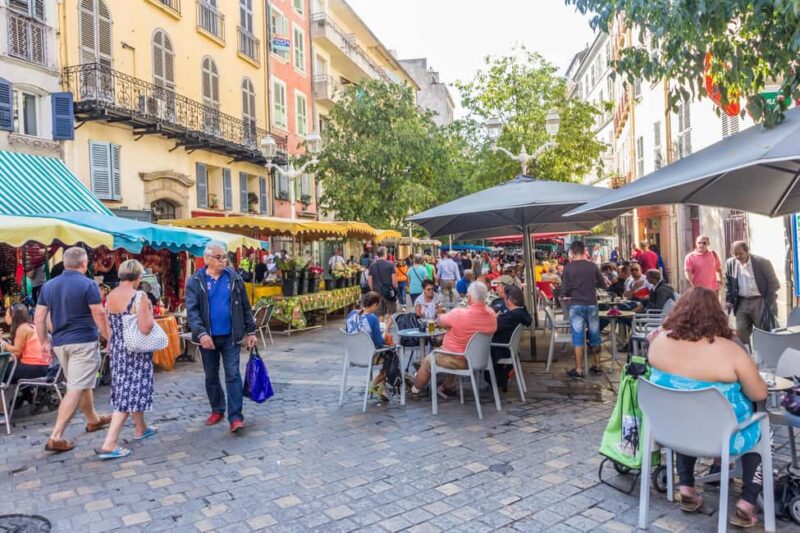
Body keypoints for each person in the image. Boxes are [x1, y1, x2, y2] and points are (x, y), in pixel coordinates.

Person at [647, 287, 768, 528]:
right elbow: (759, 393)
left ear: (679, 312)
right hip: (721, 439)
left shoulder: (659, 343)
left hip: (671, 432)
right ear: (718, 314)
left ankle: (687, 487)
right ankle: (747, 501)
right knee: (764, 427)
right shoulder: (731, 351)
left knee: (684, 409)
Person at [34, 247, 111, 453]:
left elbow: (39, 317)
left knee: (81, 383)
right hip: (83, 342)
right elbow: (99, 314)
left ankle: (93, 419)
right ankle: (56, 435)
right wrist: (109, 338)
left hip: (60, 343)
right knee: (76, 387)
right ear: (84, 264)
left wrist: (43, 341)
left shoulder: (48, 286)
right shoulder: (88, 285)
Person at [185, 242, 258, 433]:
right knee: (211, 376)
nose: (223, 260)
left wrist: (251, 331)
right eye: (219, 257)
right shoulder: (195, 281)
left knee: (233, 374)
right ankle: (217, 409)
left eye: (225, 256)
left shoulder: (234, 279)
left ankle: (235, 417)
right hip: (207, 337)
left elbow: (245, 307)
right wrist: (201, 333)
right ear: (207, 258)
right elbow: (192, 312)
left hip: (231, 336)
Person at [96, 260, 156, 459]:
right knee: (127, 396)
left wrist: (110, 342)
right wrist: (151, 313)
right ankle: (110, 443)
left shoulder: (111, 295)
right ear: (138, 276)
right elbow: (146, 327)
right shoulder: (139, 296)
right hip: (135, 350)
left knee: (128, 389)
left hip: (119, 350)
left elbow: (108, 325)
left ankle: (141, 428)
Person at [411, 281, 497, 397]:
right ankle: (447, 386)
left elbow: (440, 322)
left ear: (469, 297)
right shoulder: (491, 314)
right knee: (448, 350)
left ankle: (415, 389)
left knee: (427, 361)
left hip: (458, 359)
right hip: (481, 358)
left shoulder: (459, 313)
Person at [560, 241, 607, 378]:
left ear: (572, 252)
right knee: (595, 335)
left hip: (576, 304)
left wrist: (566, 295)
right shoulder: (592, 266)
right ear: (584, 251)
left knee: (578, 337)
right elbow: (602, 284)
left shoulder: (568, 268)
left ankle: (579, 369)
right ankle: (598, 366)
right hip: (591, 303)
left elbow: (565, 289)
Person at [725, 241, 780, 347]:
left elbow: (774, 284)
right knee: (741, 332)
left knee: (763, 332)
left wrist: (767, 303)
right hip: (741, 302)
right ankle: (746, 357)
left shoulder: (762, 262)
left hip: (759, 301)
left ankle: (764, 358)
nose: (737, 256)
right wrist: (729, 300)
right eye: (734, 254)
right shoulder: (730, 263)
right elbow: (729, 284)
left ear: (747, 251)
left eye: (740, 253)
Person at [346, 291, 392, 402]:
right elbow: (379, 343)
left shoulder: (351, 314)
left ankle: (381, 387)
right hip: (368, 356)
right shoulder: (372, 318)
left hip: (353, 355)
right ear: (375, 304)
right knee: (392, 354)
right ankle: (376, 382)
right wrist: (387, 328)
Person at [491, 286, 532, 391]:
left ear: (508, 300)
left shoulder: (510, 316)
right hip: (509, 348)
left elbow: (493, 327)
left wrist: (496, 317)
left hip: (500, 349)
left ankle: (499, 378)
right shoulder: (521, 312)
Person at [1, 304, 49, 383]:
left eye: (6, 314)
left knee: (2, 370)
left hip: (34, 367)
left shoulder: (22, 328)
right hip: (42, 367)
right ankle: (22, 393)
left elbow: (16, 352)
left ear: (12, 316)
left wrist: (2, 342)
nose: (5, 317)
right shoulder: (31, 326)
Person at [367, 246, 398, 317]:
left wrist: (373, 290)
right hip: (389, 293)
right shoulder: (390, 264)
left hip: (377, 293)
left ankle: (381, 327)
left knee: (380, 314)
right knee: (391, 313)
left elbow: (369, 280)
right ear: (385, 254)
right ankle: (387, 327)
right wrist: (396, 289)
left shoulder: (372, 265)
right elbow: (394, 280)